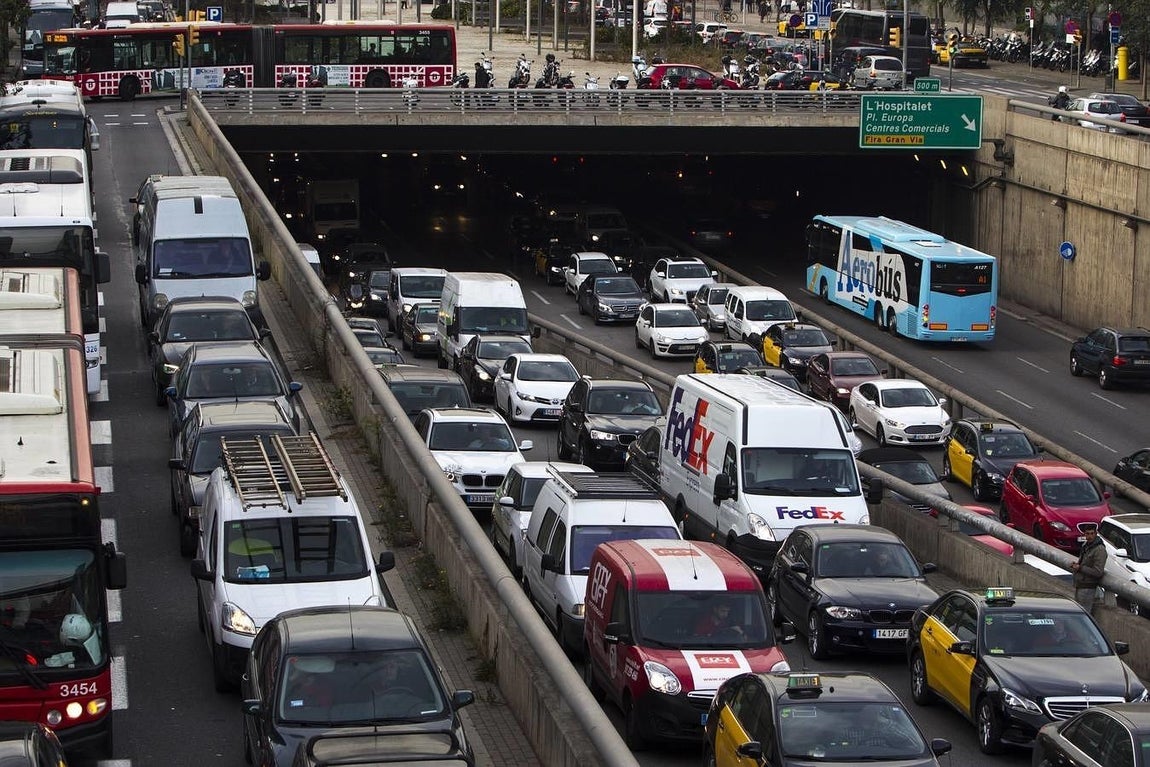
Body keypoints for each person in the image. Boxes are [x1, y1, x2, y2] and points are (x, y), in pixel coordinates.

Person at [1071, 522, 1106, 614]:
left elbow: (1098, 572)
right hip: (1080, 584)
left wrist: (1080, 568)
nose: (1089, 536)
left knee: (1083, 614)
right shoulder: (1086, 545)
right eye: (1087, 534)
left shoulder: (1100, 549)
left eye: (1092, 533)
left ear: (1095, 534)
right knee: (1078, 613)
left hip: (1088, 587)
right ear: (1084, 534)